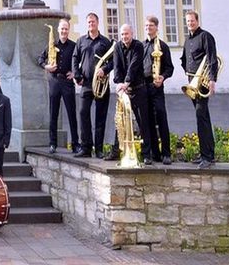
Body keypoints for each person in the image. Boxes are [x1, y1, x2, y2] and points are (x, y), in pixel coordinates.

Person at [181, 10, 219, 169]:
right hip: (192, 82)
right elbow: (184, 59)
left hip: (202, 83)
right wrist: (189, 74)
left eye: (192, 21)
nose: (190, 23)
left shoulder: (205, 36)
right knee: (202, 117)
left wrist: (211, 79)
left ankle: (207, 157)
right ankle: (208, 152)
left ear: (197, 21)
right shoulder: (187, 40)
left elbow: (212, 58)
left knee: (201, 116)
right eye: (188, 21)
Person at [72, 13, 114, 159]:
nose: (91, 24)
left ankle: (99, 149)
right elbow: (75, 58)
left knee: (100, 118)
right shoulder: (81, 41)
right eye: (89, 22)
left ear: (98, 23)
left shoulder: (105, 42)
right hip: (86, 84)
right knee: (83, 114)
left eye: (93, 22)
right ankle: (86, 148)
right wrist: (77, 75)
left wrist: (105, 69)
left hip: (101, 85)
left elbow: (113, 61)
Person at [110, 24, 151, 163]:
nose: (124, 37)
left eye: (126, 34)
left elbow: (134, 66)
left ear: (132, 34)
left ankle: (147, 155)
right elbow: (117, 68)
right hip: (124, 90)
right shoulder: (117, 47)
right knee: (120, 121)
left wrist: (126, 82)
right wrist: (120, 84)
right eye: (122, 34)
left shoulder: (138, 46)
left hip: (138, 89)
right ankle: (116, 151)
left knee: (143, 122)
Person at [36, 19, 77, 154]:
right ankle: (52, 143)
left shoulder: (74, 46)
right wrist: (46, 66)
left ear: (68, 30)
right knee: (53, 113)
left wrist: (75, 73)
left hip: (67, 81)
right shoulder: (52, 45)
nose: (64, 31)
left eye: (66, 29)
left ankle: (75, 144)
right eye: (62, 29)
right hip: (54, 81)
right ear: (58, 30)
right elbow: (40, 59)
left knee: (72, 114)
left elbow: (82, 61)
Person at [143, 16, 175, 165]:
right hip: (144, 86)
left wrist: (162, 77)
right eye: (147, 25)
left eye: (151, 25)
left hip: (157, 86)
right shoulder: (141, 46)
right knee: (148, 120)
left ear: (156, 27)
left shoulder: (163, 46)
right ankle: (154, 153)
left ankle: (166, 153)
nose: (148, 28)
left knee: (162, 117)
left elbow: (170, 68)